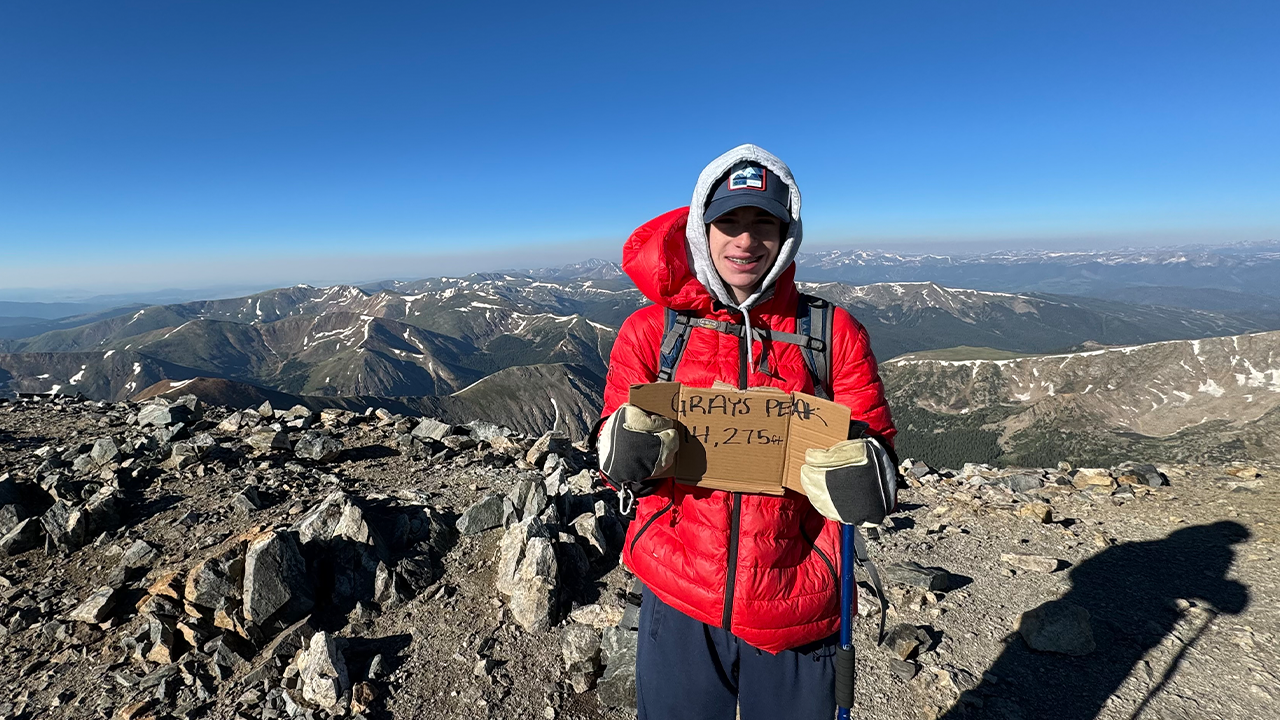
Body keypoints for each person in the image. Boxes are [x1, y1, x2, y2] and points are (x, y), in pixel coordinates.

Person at [596, 144, 897, 719]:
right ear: (700, 232)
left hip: (800, 599)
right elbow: (614, 457)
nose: (745, 239)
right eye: (728, 222)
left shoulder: (833, 335)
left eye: (764, 222)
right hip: (680, 590)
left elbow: (880, 458)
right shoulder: (650, 332)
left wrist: (864, 475)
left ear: (788, 233)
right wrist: (624, 447)